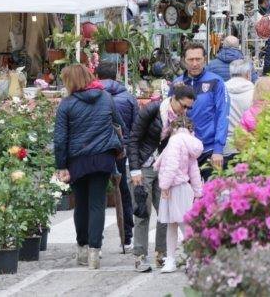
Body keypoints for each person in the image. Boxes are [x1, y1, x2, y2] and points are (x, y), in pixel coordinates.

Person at [54, 64, 125, 270]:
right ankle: (95, 251)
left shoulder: (66, 104)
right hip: (103, 158)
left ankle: (83, 248)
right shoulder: (106, 98)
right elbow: (119, 124)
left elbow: (60, 139)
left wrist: (61, 166)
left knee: (81, 205)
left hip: (78, 160)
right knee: (97, 204)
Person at [129, 85, 196, 272]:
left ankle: (162, 254)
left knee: (166, 213)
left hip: (164, 167)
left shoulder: (182, 119)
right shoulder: (152, 109)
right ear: (173, 98)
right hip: (143, 164)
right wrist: (135, 169)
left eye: (189, 108)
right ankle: (140, 256)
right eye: (183, 106)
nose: (185, 111)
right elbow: (133, 138)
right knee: (143, 211)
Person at [172, 43, 230, 179]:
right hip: (185, 150)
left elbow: (223, 115)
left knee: (212, 196)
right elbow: (170, 115)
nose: (194, 63)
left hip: (209, 150)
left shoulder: (216, 82)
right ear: (184, 61)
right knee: (187, 197)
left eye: (198, 59)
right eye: (190, 60)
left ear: (205, 59)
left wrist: (218, 149)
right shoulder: (177, 84)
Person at [153, 115, 203, 274]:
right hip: (183, 188)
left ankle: (172, 260)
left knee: (174, 226)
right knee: (184, 226)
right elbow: (194, 170)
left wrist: (164, 185)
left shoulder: (174, 141)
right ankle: (191, 259)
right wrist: (198, 192)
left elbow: (171, 165)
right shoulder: (188, 143)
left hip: (174, 188)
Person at [95, 62, 137, 250]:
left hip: (97, 151)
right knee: (124, 193)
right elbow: (136, 126)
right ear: (116, 76)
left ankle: (96, 240)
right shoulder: (128, 98)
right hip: (120, 150)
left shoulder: (91, 96)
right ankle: (127, 237)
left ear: (96, 76)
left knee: (97, 195)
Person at [223, 59, 254, 162]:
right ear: (248, 74)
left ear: (230, 73)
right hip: (247, 145)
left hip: (225, 145)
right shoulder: (254, 92)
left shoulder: (221, 91)